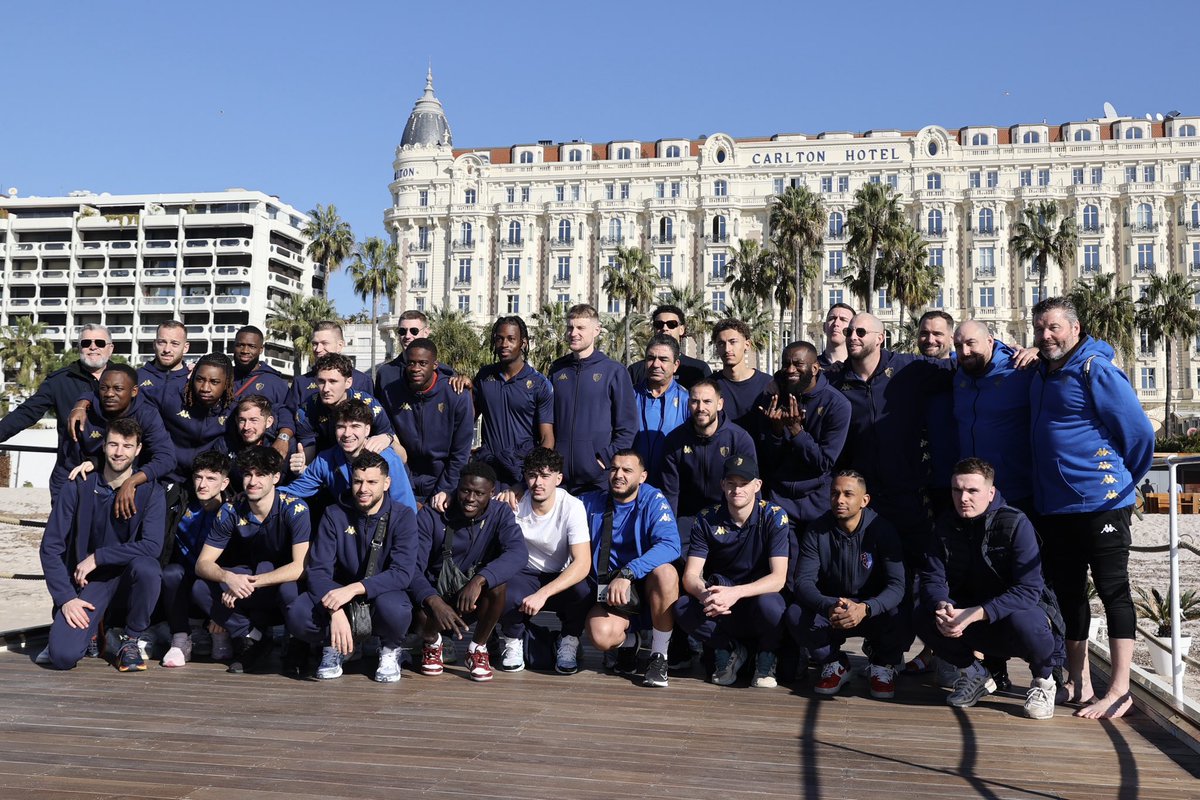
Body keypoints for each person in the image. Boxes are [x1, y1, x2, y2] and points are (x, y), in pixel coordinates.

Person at [1029, 296, 1154, 719]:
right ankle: (1078, 679)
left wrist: (1120, 485)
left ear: (1075, 329)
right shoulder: (1042, 371)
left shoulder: (1094, 368)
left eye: (1054, 328)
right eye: (1040, 328)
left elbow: (1138, 435)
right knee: (1069, 593)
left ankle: (1120, 689)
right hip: (1057, 506)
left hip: (1102, 502)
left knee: (1113, 590)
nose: (1047, 336)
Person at [916, 458, 1066, 720]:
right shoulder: (943, 526)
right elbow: (932, 579)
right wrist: (943, 606)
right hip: (971, 617)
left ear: (990, 492)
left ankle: (1044, 681)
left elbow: (1029, 590)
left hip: (1015, 618)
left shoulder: (1016, 524)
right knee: (921, 611)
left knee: (1028, 620)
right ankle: (975, 673)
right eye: (957, 490)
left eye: (972, 491)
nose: (963, 498)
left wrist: (973, 614)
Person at [37, 419, 166, 671]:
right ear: (104, 446)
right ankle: (93, 630)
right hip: (90, 584)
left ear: (138, 450)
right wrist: (65, 599)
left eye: (127, 446)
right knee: (62, 657)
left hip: (128, 577)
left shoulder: (152, 492)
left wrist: (98, 556)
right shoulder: (77, 485)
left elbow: (152, 546)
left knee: (148, 568)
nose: (119, 452)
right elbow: (50, 547)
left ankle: (130, 640)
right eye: (114, 444)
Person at [286, 451, 419, 683]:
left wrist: (355, 588)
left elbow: (402, 573)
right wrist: (334, 611)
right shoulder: (333, 513)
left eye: (371, 482)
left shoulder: (403, 516)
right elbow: (318, 570)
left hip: (380, 593)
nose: (363, 489)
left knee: (397, 609)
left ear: (386, 483)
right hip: (338, 595)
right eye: (357, 481)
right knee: (298, 613)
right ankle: (335, 645)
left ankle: (389, 649)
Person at [192, 447, 311, 674]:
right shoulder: (231, 509)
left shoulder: (295, 508)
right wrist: (230, 578)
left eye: (261, 474)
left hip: (284, 584)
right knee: (200, 587)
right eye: (248, 474)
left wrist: (247, 583)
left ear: (275, 477)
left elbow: (300, 567)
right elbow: (202, 563)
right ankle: (252, 638)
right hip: (251, 583)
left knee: (289, 589)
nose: (252, 481)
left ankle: (298, 644)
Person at [787, 471, 905, 699]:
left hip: (871, 609)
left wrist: (866, 608)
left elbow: (897, 585)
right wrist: (829, 605)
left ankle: (882, 664)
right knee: (795, 613)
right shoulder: (817, 530)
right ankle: (835, 663)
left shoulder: (883, 529)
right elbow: (803, 582)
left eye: (848, 494)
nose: (839, 500)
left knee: (904, 610)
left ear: (864, 500)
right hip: (835, 608)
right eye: (834, 493)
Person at [674, 455, 789, 688]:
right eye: (731, 483)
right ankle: (728, 649)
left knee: (772, 605)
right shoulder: (706, 518)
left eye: (744, 483)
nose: (737, 489)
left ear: (757, 486)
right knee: (682, 607)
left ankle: (766, 655)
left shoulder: (775, 516)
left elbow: (778, 579)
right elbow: (690, 576)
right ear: (722, 485)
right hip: (722, 602)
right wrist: (706, 595)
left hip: (758, 597)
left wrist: (735, 592)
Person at [410, 462, 528, 682]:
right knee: (415, 612)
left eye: (479, 493)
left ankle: (477, 648)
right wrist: (434, 602)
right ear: (457, 487)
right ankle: (432, 642)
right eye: (465, 490)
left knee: (499, 585)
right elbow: (412, 568)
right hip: (434, 597)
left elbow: (518, 552)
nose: (470, 498)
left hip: (471, 598)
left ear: (491, 494)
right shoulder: (432, 515)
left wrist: (480, 580)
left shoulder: (500, 513)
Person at [581, 449, 680, 688]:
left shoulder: (653, 499)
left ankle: (659, 656)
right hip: (612, 593)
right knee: (601, 635)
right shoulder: (591, 501)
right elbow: (553, 502)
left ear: (642, 476)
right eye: (614, 468)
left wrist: (629, 572)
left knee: (667, 572)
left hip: (647, 589)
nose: (618, 475)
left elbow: (671, 545)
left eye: (627, 470)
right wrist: (518, 491)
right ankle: (628, 642)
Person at [495, 447, 593, 674]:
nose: (538, 482)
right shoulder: (513, 503)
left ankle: (569, 640)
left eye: (545, 476)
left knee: (583, 589)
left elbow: (582, 563)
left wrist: (543, 594)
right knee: (502, 588)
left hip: (559, 574)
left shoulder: (572, 506)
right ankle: (513, 640)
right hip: (524, 573)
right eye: (532, 475)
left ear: (558, 479)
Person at [0, 325, 112, 499]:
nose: (93, 347)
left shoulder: (125, 379)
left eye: (99, 342)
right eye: (86, 342)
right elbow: (26, 413)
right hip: (68, 472)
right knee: (61, 526)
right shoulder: (59, 380)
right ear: (79, 347)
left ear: (110, 348)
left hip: (112, 472)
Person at [758, 341, 850, 527]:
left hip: (818, 502)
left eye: (798, 364)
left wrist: (796, 431)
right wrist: (775, 432)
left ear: (815, 368)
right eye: (786, 364)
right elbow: (768, 459)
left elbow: (824, 462)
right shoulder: (774, 397)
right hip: (780, 499)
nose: (790, 369)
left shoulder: (837, 404)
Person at [548, 304, 636, 494]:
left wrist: (602, 460)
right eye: (570, 327)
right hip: (559, 479)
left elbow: (627, 428)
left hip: (597, 480)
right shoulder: (557, 370)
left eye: (580, 328)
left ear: (596, 330)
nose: (573, 333)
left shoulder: (614, 371)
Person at [58, 364, 175, 506]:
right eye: (104, 388)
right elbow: (65, 467)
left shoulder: (146, 414)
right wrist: (60, 503)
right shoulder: (82, 416)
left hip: (133, 486)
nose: (109, 394)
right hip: (88, 487)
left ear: (134, 391)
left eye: (118, 389)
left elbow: (166, 458)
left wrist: (131, 482)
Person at [953, 320, 1037, 510]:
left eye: (971, 343)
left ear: (990, 341)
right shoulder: (960, 372)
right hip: (971, 493)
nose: (965, 351)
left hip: (1016, 492)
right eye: (958, 346)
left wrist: (1037, 351)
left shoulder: (1020, 368)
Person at [160, 450, 230, 668]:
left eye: (211, 479)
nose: (203, 484)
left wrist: (221, 615)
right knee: (170, 573)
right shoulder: (181, 502)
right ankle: (180, 638)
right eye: (199, 477)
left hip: (215, 583)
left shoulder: (233, 509)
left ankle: (221, 630)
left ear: (225, 482)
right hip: (184, 576)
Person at [385, 339, 473, 509]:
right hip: (406, 481)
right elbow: (392, 444)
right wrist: (407, 493)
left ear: (435, 365)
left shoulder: (456, 395)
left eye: (423, 363)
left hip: (444, 483)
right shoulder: (391, 393)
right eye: (411, 363)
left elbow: (460, 453)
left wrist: (445, 490)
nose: (416, 368)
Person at [287, 399, 417, 512]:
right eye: (341, 427)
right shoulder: (326, 459)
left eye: (355, 426)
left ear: (367, 430)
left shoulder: (387, 458)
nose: (347, 433)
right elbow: (293, 491)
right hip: (345, 526)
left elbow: (406, 508)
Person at [472, 316, 555, 490]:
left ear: (523, 343)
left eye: (511, 339)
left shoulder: (539, 383)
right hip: (489, 470)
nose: (504, 344)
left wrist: (532, 477)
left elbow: (547, 437)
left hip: (521, 472)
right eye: (499, 339)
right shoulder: (484, 377)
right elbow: (466, 420)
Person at [295, 353, 394, 457]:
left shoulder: (369, 405)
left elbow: (401, 456)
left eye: (333, 381)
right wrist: (302, 467)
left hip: (366, 463)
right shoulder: (306, 410)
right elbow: (308, 453)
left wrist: (388, 438)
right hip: (325, 464)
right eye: (321, 381)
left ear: (348, 382)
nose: (326, 389)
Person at [632, 334, 690, 486]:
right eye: (651, 358)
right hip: (633, 486)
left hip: (671, 486)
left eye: (663, 359)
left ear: (676, 365)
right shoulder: (629, 396)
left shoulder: (687, 401)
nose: (656, 364)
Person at [917, 310, 958, 517]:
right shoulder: (907, 370)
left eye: (937, 334)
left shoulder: (966, 369)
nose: (930, 339)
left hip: (955, 481)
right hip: (916, 482)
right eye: (924, 333)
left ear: (951, 338)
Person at [231, 326, 294, 460]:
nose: (245, 351)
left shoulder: (274, 382)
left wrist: (283, 438)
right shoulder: (222, 377)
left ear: (261, 349)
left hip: (260, 456)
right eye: (240, 345)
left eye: (251, 346)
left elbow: (287, 412)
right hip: (227, 450)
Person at [285, 320, 373, 410]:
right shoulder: (300, 382)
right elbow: (288, 413)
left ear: (340, 345)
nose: (318, 349)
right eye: (315, 344)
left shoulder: (362, 381)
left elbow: (370, 415)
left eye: (324, 343)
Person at [627, 304, 712, 389]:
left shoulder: (699, 369)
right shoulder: (635, 370)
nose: (665, 328)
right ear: (654, 329)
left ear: (681, 329)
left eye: (671, 324)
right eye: (659, 324)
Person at [710, 319, 772, 433]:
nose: (727, 349)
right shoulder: (710, 386)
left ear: (747, 344)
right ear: (717, 348)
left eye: (733, 342)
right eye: (721, 343)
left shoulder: (767, 384)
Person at [137, 320, 190, 393]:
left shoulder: (192, 380)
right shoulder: (136, 377)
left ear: (185, 348)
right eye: (162, 342)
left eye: (174, 343)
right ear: (154, 344)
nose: (167, 349)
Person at [817, 303, 855, 370]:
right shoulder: (812, 366)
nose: (836, 323)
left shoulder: (860, 368)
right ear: (824, 327)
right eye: (832, 318)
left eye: (843, 319)